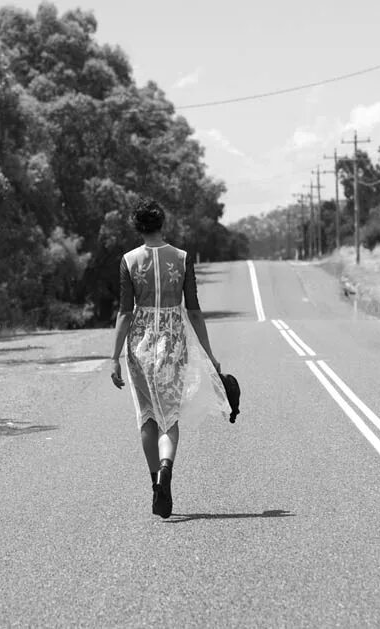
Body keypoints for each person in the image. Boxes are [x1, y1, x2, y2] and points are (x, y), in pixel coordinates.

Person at [110, 198, 231, 519]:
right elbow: (193, 308)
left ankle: (155, 484)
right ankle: (167, 467)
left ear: (138, 227)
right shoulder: (181, 258)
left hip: (139, 344)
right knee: (170, 415)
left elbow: (124, 311)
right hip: (174, 339)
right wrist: (210, 355)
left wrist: (113, 357)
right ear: (162, 224)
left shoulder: (129, 260)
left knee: (147, 415)